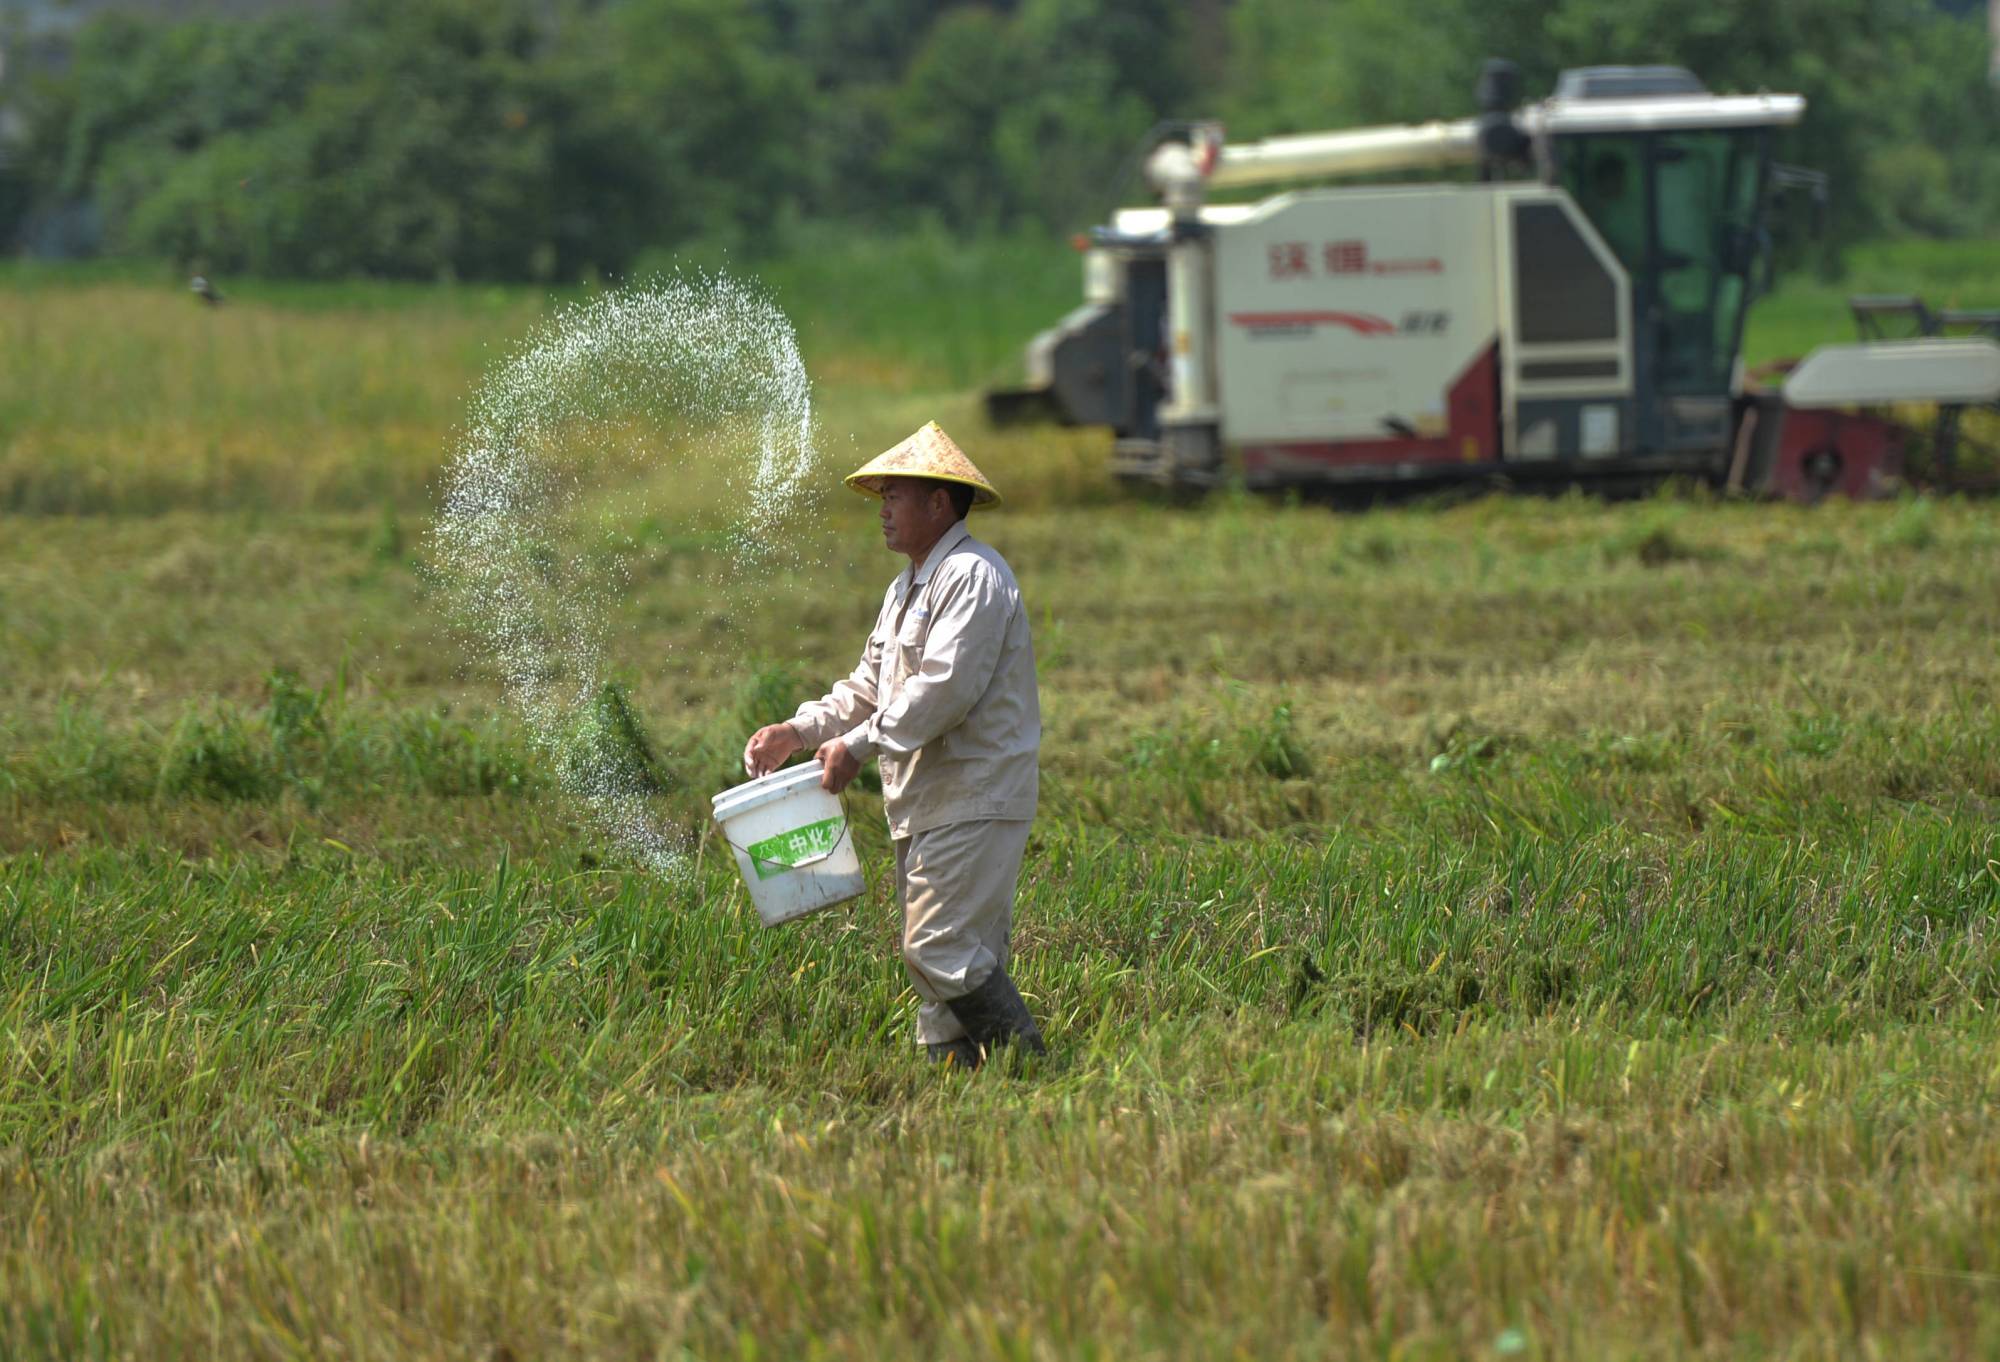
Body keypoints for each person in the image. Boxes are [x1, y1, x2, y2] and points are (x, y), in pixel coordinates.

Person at [743, 422, 1044, 1069]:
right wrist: (799, 731)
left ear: (938, 502)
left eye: (894, 496)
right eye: (881, 497)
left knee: (938, 947)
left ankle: (1029, 1065)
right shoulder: (905, 588)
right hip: (926, 797)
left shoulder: (972, 576)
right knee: (942, 958)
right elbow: (867, 686)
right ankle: (966, 1090)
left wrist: (857, 746)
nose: (882, 509)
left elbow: (944, 690)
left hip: (974, 791)